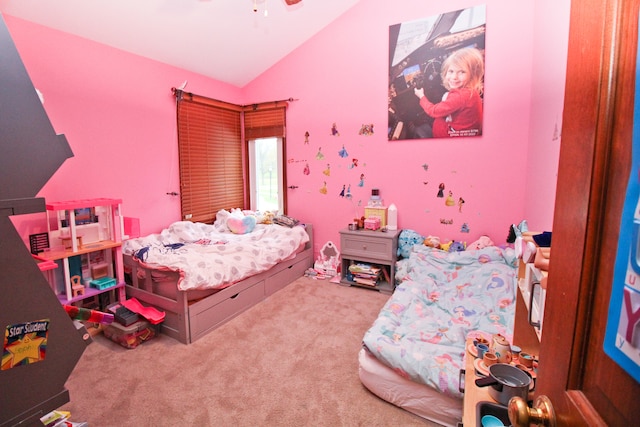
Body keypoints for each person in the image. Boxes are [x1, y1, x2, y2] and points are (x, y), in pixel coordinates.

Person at [414, 47, 484, 138]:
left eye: (462, 72)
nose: (454, 77)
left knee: (437, 120)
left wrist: (421, 96)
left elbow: (433, 111)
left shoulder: (459, 97)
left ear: (472, 74)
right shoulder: (472, 91)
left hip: (456, 135)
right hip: (470, 130)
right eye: (451, 71)